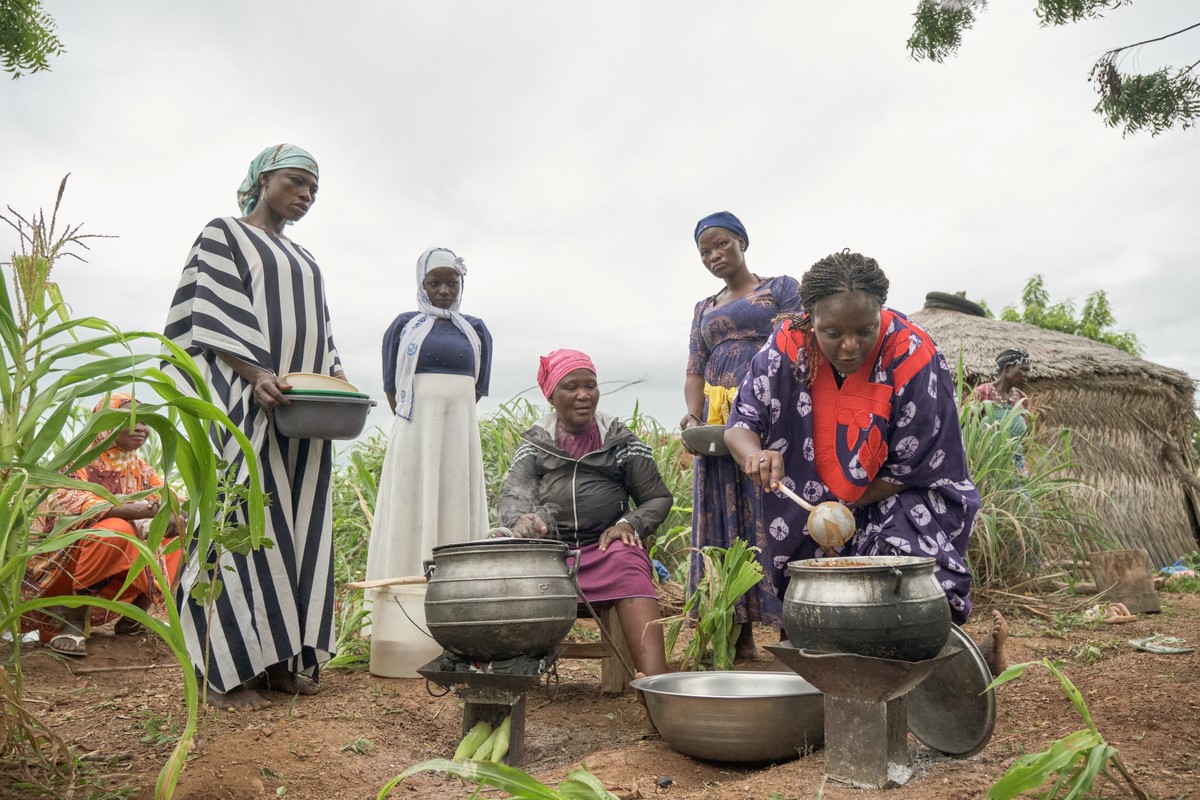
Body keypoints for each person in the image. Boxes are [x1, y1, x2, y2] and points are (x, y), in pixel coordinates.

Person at [163, 144, 348, 710]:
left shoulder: (308, 258)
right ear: (263, 179)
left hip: (300, 410)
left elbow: (320, 331)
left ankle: (279, 659)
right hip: (243, 401)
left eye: (314, 189)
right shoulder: (224, 234)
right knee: (238, 518)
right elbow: (207, 316)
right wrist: (255, 374)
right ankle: (221, 668)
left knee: (297, 528)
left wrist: (336, 381)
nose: (306, 195)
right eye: (296, 181)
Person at [724, 250, 984, 628]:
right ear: (810, 319)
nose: (850, 346)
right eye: (833, 333)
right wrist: (755, 455)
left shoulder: (913, 354)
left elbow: (918, 464)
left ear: (881, 312)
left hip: (897, 494)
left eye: (865, 330)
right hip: (806, 502)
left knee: (902, 578)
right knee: (814, 601)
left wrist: (842, 508)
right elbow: (741, 425)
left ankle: (925, 649)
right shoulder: (787, 346)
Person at [498, 349, 670, 679]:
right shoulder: (537, 444)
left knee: (629, 560)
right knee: (507, 568)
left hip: (605, 551)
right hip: (550, 555)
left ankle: (658, 687)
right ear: (551, 396)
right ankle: (509, 680)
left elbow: (657, 498)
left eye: (590, 385)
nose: (583, 395)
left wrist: (628, 523)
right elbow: (511, 497)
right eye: (570, 387)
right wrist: (521, 520)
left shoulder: (620, 440)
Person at [681, 211, 800, 659]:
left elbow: (796, 347)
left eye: (722, 244)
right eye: (705, 250)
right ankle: (738, 638)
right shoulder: (703, 309)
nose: (714, 255)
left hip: (771, 417)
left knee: (776, 514)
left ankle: (794, 636)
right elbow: (694, 367)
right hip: (718, 428)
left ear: (742, 242)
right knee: (724, 525)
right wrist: (693, 418)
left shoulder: (780, 288)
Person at [365, 247, 492, 589]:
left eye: (451, 283)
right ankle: (403, 597)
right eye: (435, 283)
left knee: (455, 499)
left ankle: (458, 592)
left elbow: (476, 390)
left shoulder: (476, 330)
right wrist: (424, 422)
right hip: (416, 434)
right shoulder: (404, 325)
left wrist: (448, 413)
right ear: (422, 283)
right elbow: (392, 387)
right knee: (411, 503)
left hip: (457, 434)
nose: (444, 291)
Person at [22, 393, 184, 656]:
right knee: (115, 531)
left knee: (175, 535)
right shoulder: (79, 459)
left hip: (109, 560)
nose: (142, 427)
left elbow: (170, 499)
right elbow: (74, 504)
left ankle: (133, 619)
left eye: (146, 421)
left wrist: (177, 516)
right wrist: (138, 510)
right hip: (63, 565)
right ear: (106, 422)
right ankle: (72, 623)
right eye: (130, 419)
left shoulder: (140, 468)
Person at [973, 347, 1033, 473]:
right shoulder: (983, 392)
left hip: (1015, 467)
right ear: (1007, 368)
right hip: (985, 466)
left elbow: (1025, 436)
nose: (1027, 375)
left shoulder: (1021, 398)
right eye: (1023, 370)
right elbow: (964, 427)